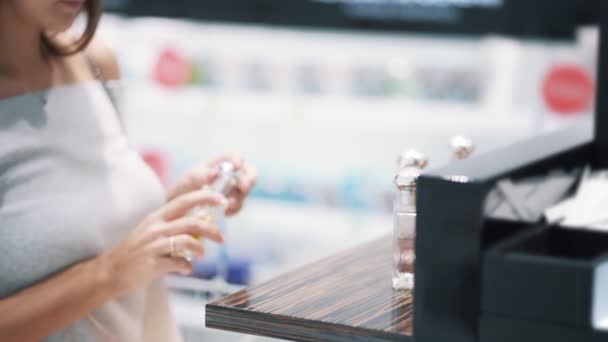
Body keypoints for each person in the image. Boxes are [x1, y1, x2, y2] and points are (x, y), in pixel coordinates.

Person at [0, 1, 257, 341]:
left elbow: (91, 232)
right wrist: (109, 273)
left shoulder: (92, 61)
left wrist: (178, 205)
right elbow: (112, 264)